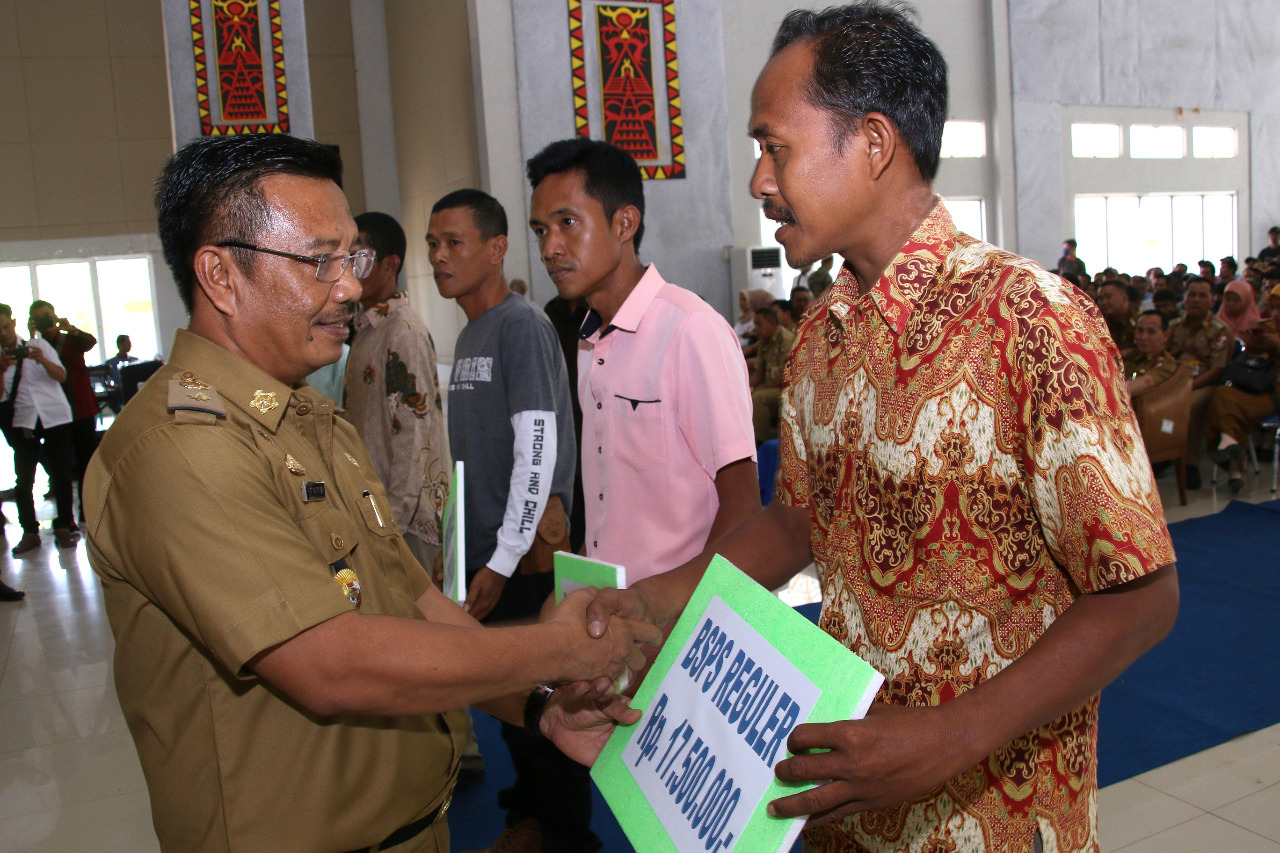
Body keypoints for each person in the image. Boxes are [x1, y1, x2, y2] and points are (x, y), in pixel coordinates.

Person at [583, 6, 1178, 852]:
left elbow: (1141, 596)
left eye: (773, 146)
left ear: (870, 142)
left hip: (991, 809)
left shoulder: (1029, 318)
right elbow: (795, 521)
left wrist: (952, 736)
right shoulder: (822, 335)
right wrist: (647, 606)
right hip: (845, 802)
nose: (758, 181)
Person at [82, 133, 658, 853]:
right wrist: (556, 651)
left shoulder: (314, 422)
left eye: (350, 257)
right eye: (319, 260)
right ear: (221, 276)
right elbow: (330, 662)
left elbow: (413, 603)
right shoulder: (180, 448)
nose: (351, 284)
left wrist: (537, 705)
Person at [526, 137, 759, 851]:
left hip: (680, 633)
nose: (552, 246)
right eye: (541, 230)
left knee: (705, 830)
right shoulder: (592, 342)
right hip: (616, 632)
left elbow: (743, 508)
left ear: (624, 222)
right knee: (642, 826)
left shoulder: (690, 331)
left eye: (569, 222)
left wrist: (681, 627)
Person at [427, 188, 586, 853]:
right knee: (508, 702)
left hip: (525, 556)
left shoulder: (519, 325)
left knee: (539, 703)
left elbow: (538, 449)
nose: (438, 256)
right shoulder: (469, 332)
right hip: (488, 549)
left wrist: (501, 557)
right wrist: (459, 548)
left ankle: (565, 836)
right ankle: (528, 815)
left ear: (495, 249)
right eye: (432, 243)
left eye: (453, 242)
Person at [343, 211, 450, 575]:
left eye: (361, 258)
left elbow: (413, 435)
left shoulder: (402, 331)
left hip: (406, 521)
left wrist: (393, 522)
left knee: (422, 627)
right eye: (347, 259)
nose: (351, 269)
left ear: (390, 265)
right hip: (380, 514)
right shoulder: (367, 327)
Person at [0, 303, 78, 555]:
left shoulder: (40, 345)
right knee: (24, 480)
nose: (3, 333)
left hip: (55, 416)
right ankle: (30, 532)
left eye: (5, 326)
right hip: (24, 421)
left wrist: (42, 359)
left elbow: (62, 376)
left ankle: (64, 527)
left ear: (13, 324)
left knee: (62, 475)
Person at [29, 300, 99, 524]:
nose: (45, 320)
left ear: (55, 316)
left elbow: (90, 342)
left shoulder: (70, 338)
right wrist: (32, 335)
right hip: (55, 414)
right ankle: (65, 517)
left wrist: (70, 328)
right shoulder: (36, 346)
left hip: (81, 409)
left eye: (47, 315)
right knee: (59, 466)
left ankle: (87, 511)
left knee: (86, 461)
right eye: (39, 317)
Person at [1167, 277, 1233, 490]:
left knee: (1190, 406)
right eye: (1192, 294)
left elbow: (1216, 370)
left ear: (1213, 300)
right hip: (1173, 381)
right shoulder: (1174, 326)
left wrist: (1187, 387)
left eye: (1202, 295)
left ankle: (1190, 463)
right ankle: (1160, 453)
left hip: (1205, 384)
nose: (1196, 299)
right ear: (1185, 298)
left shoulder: (1220, 331)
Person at [748, 305, 795, 444]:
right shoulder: (764, 341)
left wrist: (761, 389)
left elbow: (785, 375)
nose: (756, 329)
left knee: (759, 397)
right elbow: (759, 372)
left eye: (759, 324)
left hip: (787, 388)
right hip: (770, 385)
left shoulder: (787, 339)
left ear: (772, 323)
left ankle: (758, 442)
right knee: (747, 395)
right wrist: (747, 388)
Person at [1125, 310, 1179, 398]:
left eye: (1151, 332)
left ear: (1165, 335)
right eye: (1140, 331)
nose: (1143, 337)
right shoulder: (1128, 355)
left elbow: (1146, 382)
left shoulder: (1166, 364)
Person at [1097, 279, 1137, 357]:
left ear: (1125, 298)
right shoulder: (1100, 322)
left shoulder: (1138, 322)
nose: (1104, 302)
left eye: (1108, 297)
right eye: (1101, 298)